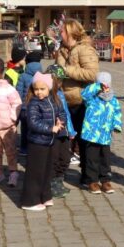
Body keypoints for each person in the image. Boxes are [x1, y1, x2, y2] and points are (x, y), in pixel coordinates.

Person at [53, 19, 99, 186]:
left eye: (62, 31)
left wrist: (66, 70)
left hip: (82, 101)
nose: (59, 34)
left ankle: (88, 176)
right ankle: (57, 174)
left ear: (71, 32)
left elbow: (92, 74)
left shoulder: (85, 49)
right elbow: (57, 73)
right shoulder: (61, 50)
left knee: (84, 141)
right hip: (64, 101)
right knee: (62, 140)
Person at [20, 73, 67, 211]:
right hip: (37, 142)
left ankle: (45, 195)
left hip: (50, 141)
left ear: (49, 88)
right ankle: (30, 201)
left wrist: (60, 122)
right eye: (36, 89)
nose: (39, 92)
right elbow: (33, 123)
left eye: (42, 89)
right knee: (35, 171)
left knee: (47, 170)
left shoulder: (54, 99)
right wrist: (50, 128)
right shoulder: (33, 103)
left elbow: (62, 112)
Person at [78, 72, 123, 194]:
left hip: (105, 135)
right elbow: (84, 94)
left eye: (107, 84)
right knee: (92, 158)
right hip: (91, 134)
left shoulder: (113, 99)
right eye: (102, 84)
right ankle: (92, 181)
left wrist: (117, 125)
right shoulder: (92, 98)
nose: (105, 87)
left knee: (105, 159)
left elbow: (117, 112)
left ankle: (105, 180)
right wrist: (97, 86)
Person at [45, 63, 77, 198]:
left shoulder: (60, 94)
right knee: (54, 158)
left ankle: (59, 179)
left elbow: (66, 113)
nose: (59, 83)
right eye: (57, 80)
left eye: (61, 81)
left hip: (64, 131)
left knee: (65, 158)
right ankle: (52, 183)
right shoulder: (45, 94)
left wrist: (71, 130)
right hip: (53, 132)